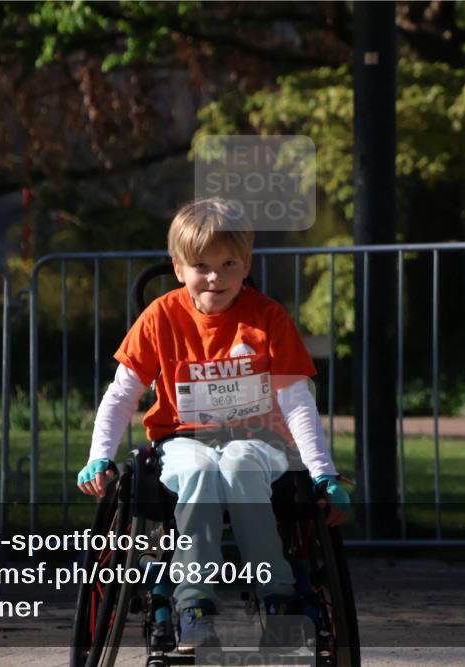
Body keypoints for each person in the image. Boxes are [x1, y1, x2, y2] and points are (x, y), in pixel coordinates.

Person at [77, 197, 351, 653]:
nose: (215, 277)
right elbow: (122, 393)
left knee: (242, 464)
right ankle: (193, 605)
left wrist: (323, 472)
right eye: (201, 265)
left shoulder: (268, 319)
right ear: (179, 268)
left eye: (228, 264)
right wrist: (98, 456)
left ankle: (280, 596)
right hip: (183, 438)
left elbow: (297, 401)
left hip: (258, 440)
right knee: (198, 472)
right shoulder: (160, 317)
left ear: (246, 265)